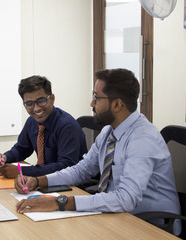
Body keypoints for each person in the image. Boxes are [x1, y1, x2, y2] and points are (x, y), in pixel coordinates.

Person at [14, 68, 181, 235]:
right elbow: (81, 170)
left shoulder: (143, 139)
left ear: (117, 104)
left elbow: (126, 198)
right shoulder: (109, 132)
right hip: (117, 215)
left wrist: (60, 202)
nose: (91, 104)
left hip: (152, 226)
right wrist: (38, 181)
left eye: (96, 97)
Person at [0, 75, 87, 178]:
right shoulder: (32, 121)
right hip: (44, 180)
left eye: (41, 101)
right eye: (29, 103)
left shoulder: (66, 125)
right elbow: (21, 149)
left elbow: (66, 166)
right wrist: (5, 157)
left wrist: (22, 171)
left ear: (52, 99)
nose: (36, 109)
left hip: (71, 183)